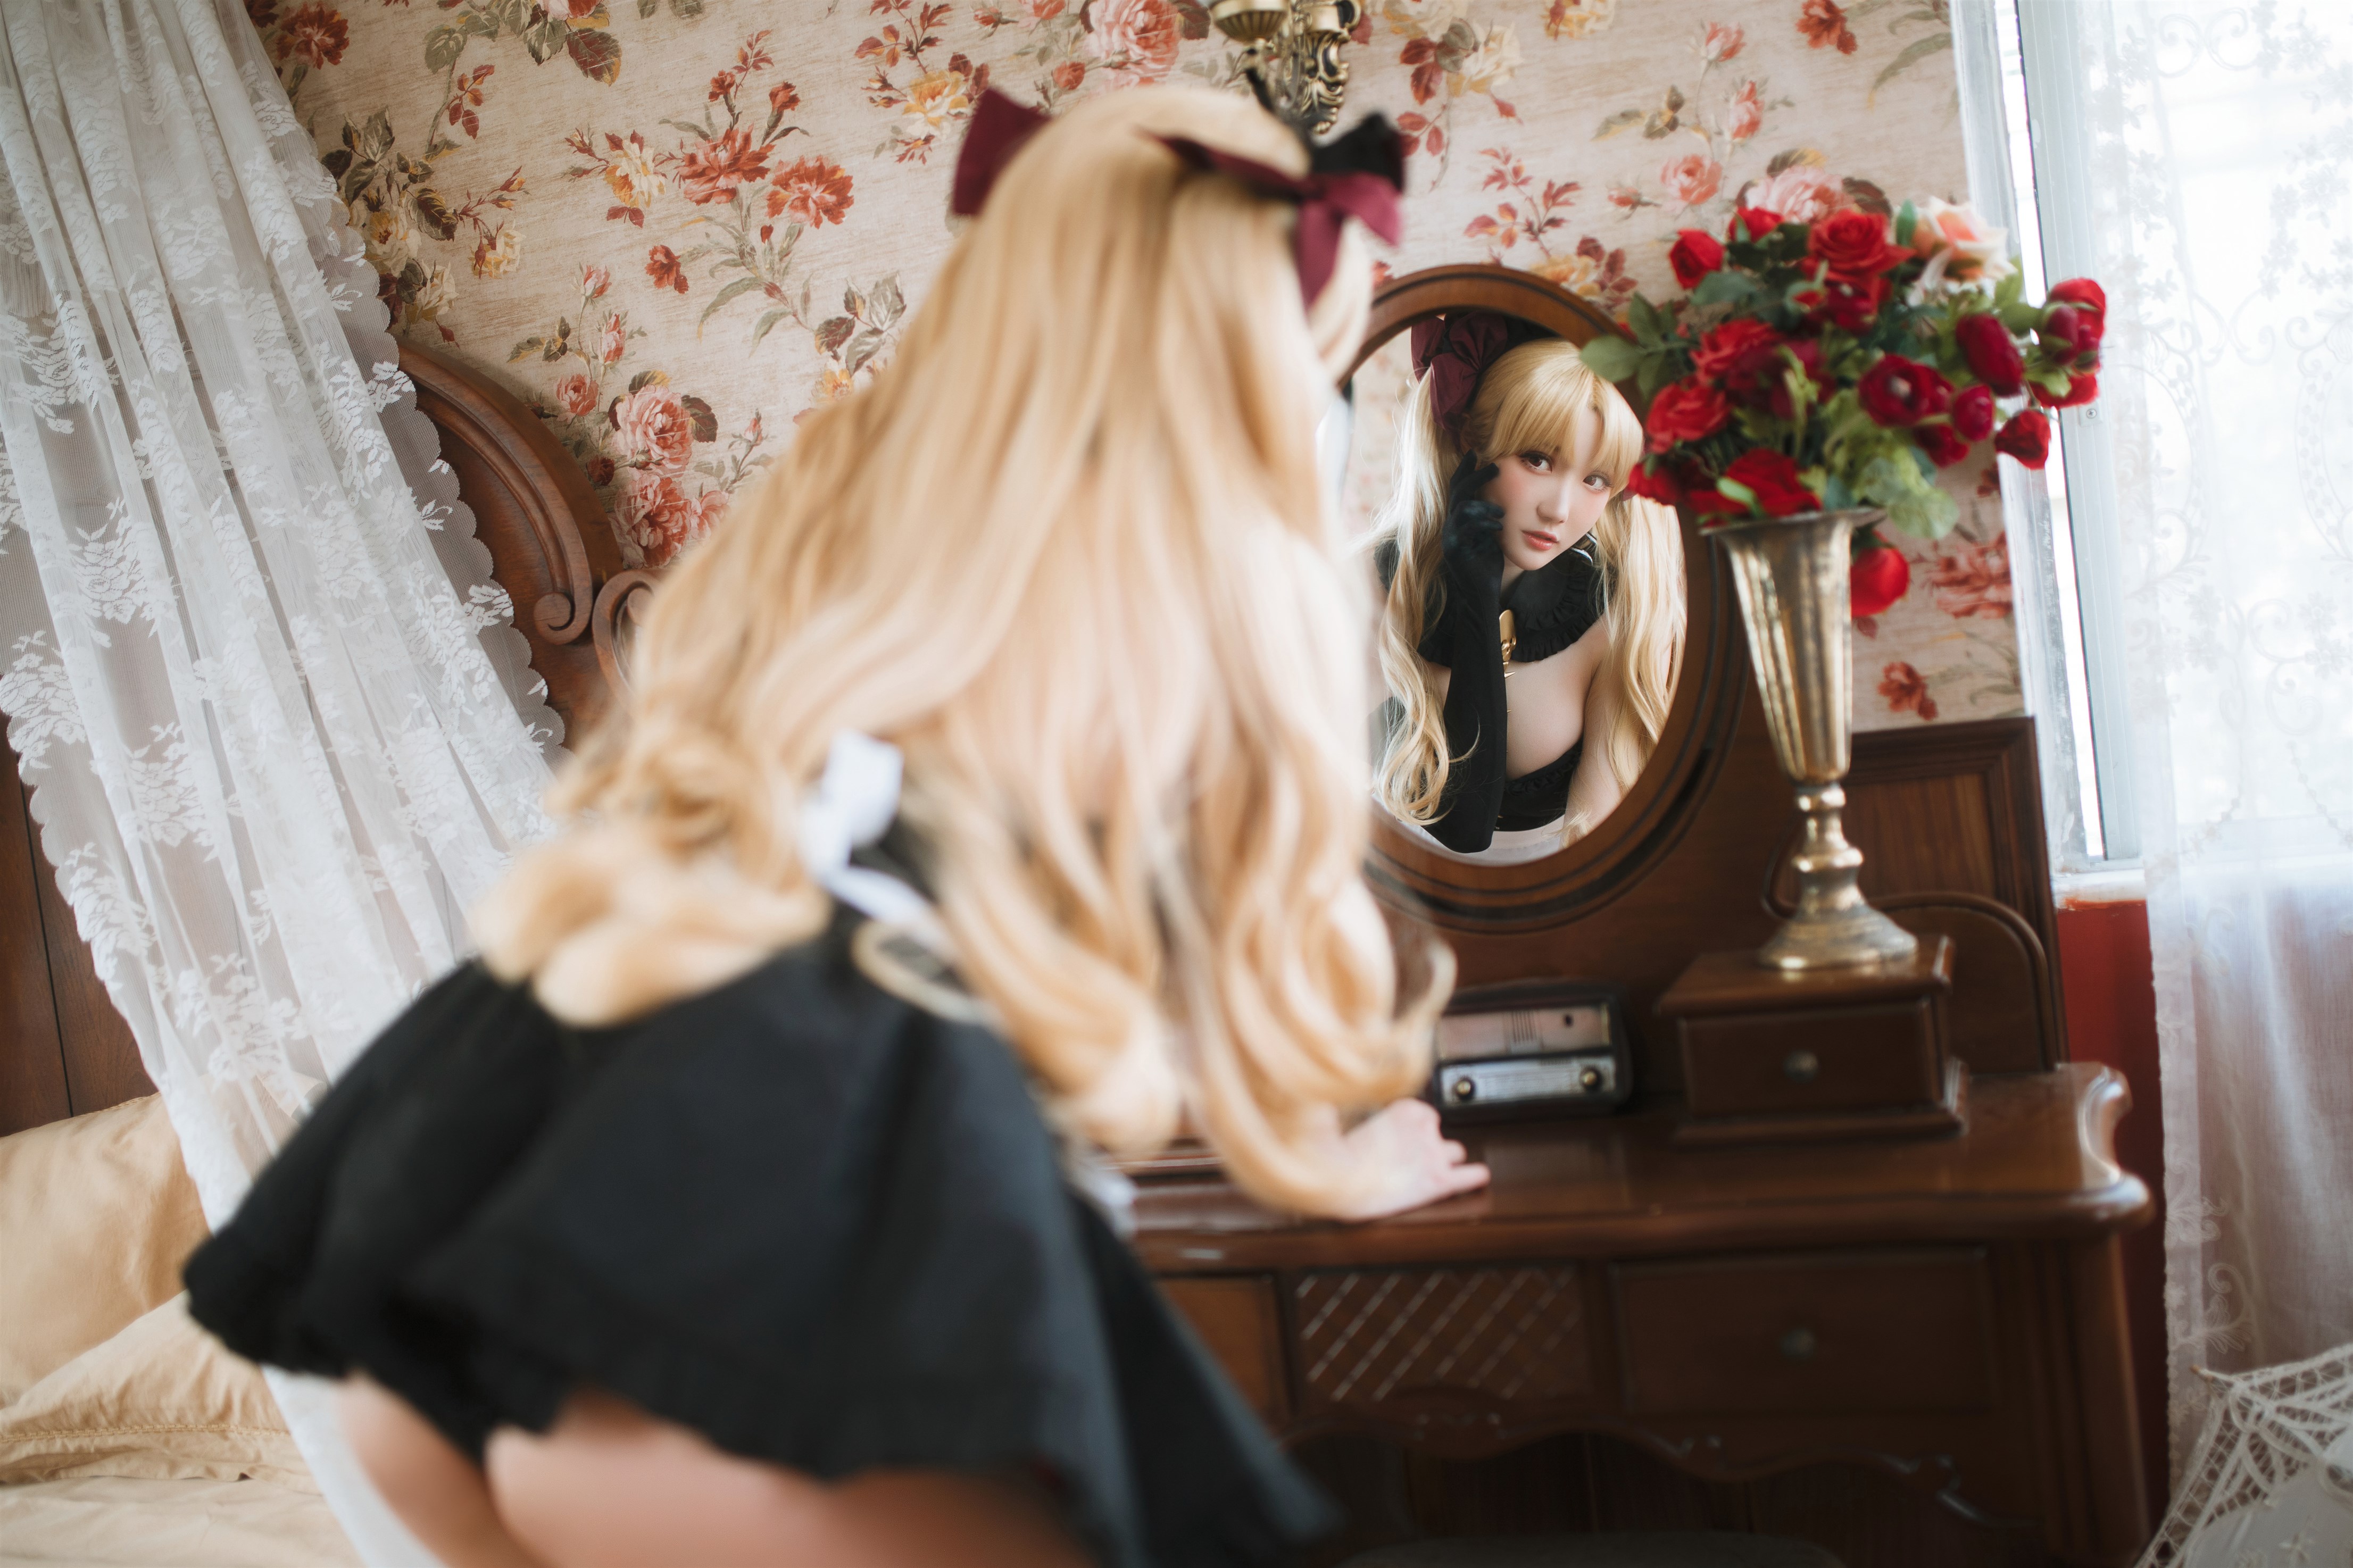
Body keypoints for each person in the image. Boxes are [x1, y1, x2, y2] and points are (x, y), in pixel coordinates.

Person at [182, 85, 1489, 1568]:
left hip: (496, 1204)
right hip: (782, 1250)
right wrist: (1342, 1164)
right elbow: (1255, 953)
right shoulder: (1220, 572)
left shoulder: (842, 494)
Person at [1371, 320, 1684, 859]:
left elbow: (1593, 847)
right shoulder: (1359, 586)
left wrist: (1480, 595)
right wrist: (1476, 594)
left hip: (1546, 903)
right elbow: (1461, 826)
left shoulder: (1618, 617)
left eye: (1595, 479)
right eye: (1537, 459)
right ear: (1471, 443)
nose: (1559, 510)